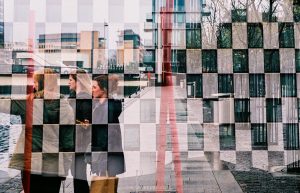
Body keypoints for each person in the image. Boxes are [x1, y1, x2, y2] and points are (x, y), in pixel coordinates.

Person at [9, 68, 74, 193]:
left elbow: (5, 104)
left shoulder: (28, 103)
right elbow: (68, 144)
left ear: (40, 83)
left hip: (31, 165)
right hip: (53, 167)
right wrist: (64, 169)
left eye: (36, 82)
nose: (34, 85)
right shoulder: (65, 107)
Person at [90, 75, 125, 179]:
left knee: (105, 183)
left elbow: (107, 133)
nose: (91, 90)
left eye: (94, 87)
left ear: (104, 90)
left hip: (106, 151)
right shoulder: (99, 105)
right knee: (107, 182)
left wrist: (101, 156)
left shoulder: (107, 107)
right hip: (105, 150)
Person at [68, 69, 92, 193]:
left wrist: (72, 120)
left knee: (79, 175)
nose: (68, 82)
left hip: (80, 143)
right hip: (75, 142)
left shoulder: (85, 99)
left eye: (71, 80)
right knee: (77, 174)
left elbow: (87, 125)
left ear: (79, 81)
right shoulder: (75, 97)